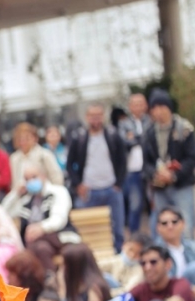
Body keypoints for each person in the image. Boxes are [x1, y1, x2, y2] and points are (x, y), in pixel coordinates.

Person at [66, 103, 128, 252]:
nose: (96, 120)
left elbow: (122, 161)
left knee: (117, 228)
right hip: (89, 191)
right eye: (92, 116)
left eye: (99, 116)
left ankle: (118, 256)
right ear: (87, 117)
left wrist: (118, 183)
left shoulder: (113, 135)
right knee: (89, 229)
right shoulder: (79, 138)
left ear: (103, 116)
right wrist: (78, 185)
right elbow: (69, 165)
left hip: (111, 188)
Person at [2, 161, 77, 271]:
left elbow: (59, 219)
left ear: (43, 176)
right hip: (38, 244)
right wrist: (15, 193)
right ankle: (49, 281)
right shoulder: (26, 200)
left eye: (34, 177)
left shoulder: (58, 192)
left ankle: (46, 282)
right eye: (27, 179)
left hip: (60, 237)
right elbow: (3, 212)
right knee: (40, 248)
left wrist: (41, 228)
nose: (31, 181)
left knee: (35, 247)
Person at [144, 88, 195, 237]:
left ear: (169, 108)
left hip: (181, 184)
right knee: (162, 225)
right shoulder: (149, 132)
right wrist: (155, 173)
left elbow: (191, 158)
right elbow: (146, 162)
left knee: (184, 224)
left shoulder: (184, 129)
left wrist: (174, 175)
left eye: (162, 107)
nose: (158, 111)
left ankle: (187, 257)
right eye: (154, 108)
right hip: (159, 186)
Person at [121, 93, 151, 234]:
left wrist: (134, 137)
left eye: (141, 103)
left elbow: (150, 141)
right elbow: (124, 142)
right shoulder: (124, 124)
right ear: (130, 106)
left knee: (154, 203)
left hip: (150, 168)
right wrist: (140, 138)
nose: (138, 106)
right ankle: (134, 236)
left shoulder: (151, 121)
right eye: (135, 104)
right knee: (135, 205)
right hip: (132, 170)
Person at [8, 122, 64, 194]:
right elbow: (13, 183)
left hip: (44, 196)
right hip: (21, 198)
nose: (23, 142)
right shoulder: (14, 158)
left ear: (35, 138)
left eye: (27, 138)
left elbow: (57, 178)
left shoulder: (44, 155)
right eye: (20, 139)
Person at [153, 205, 195, 285]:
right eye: (164, 223)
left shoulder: (192, 247)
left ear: (183, 223)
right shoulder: (155, 253)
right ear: (158, 228)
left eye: (174, 222)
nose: (170, 226)